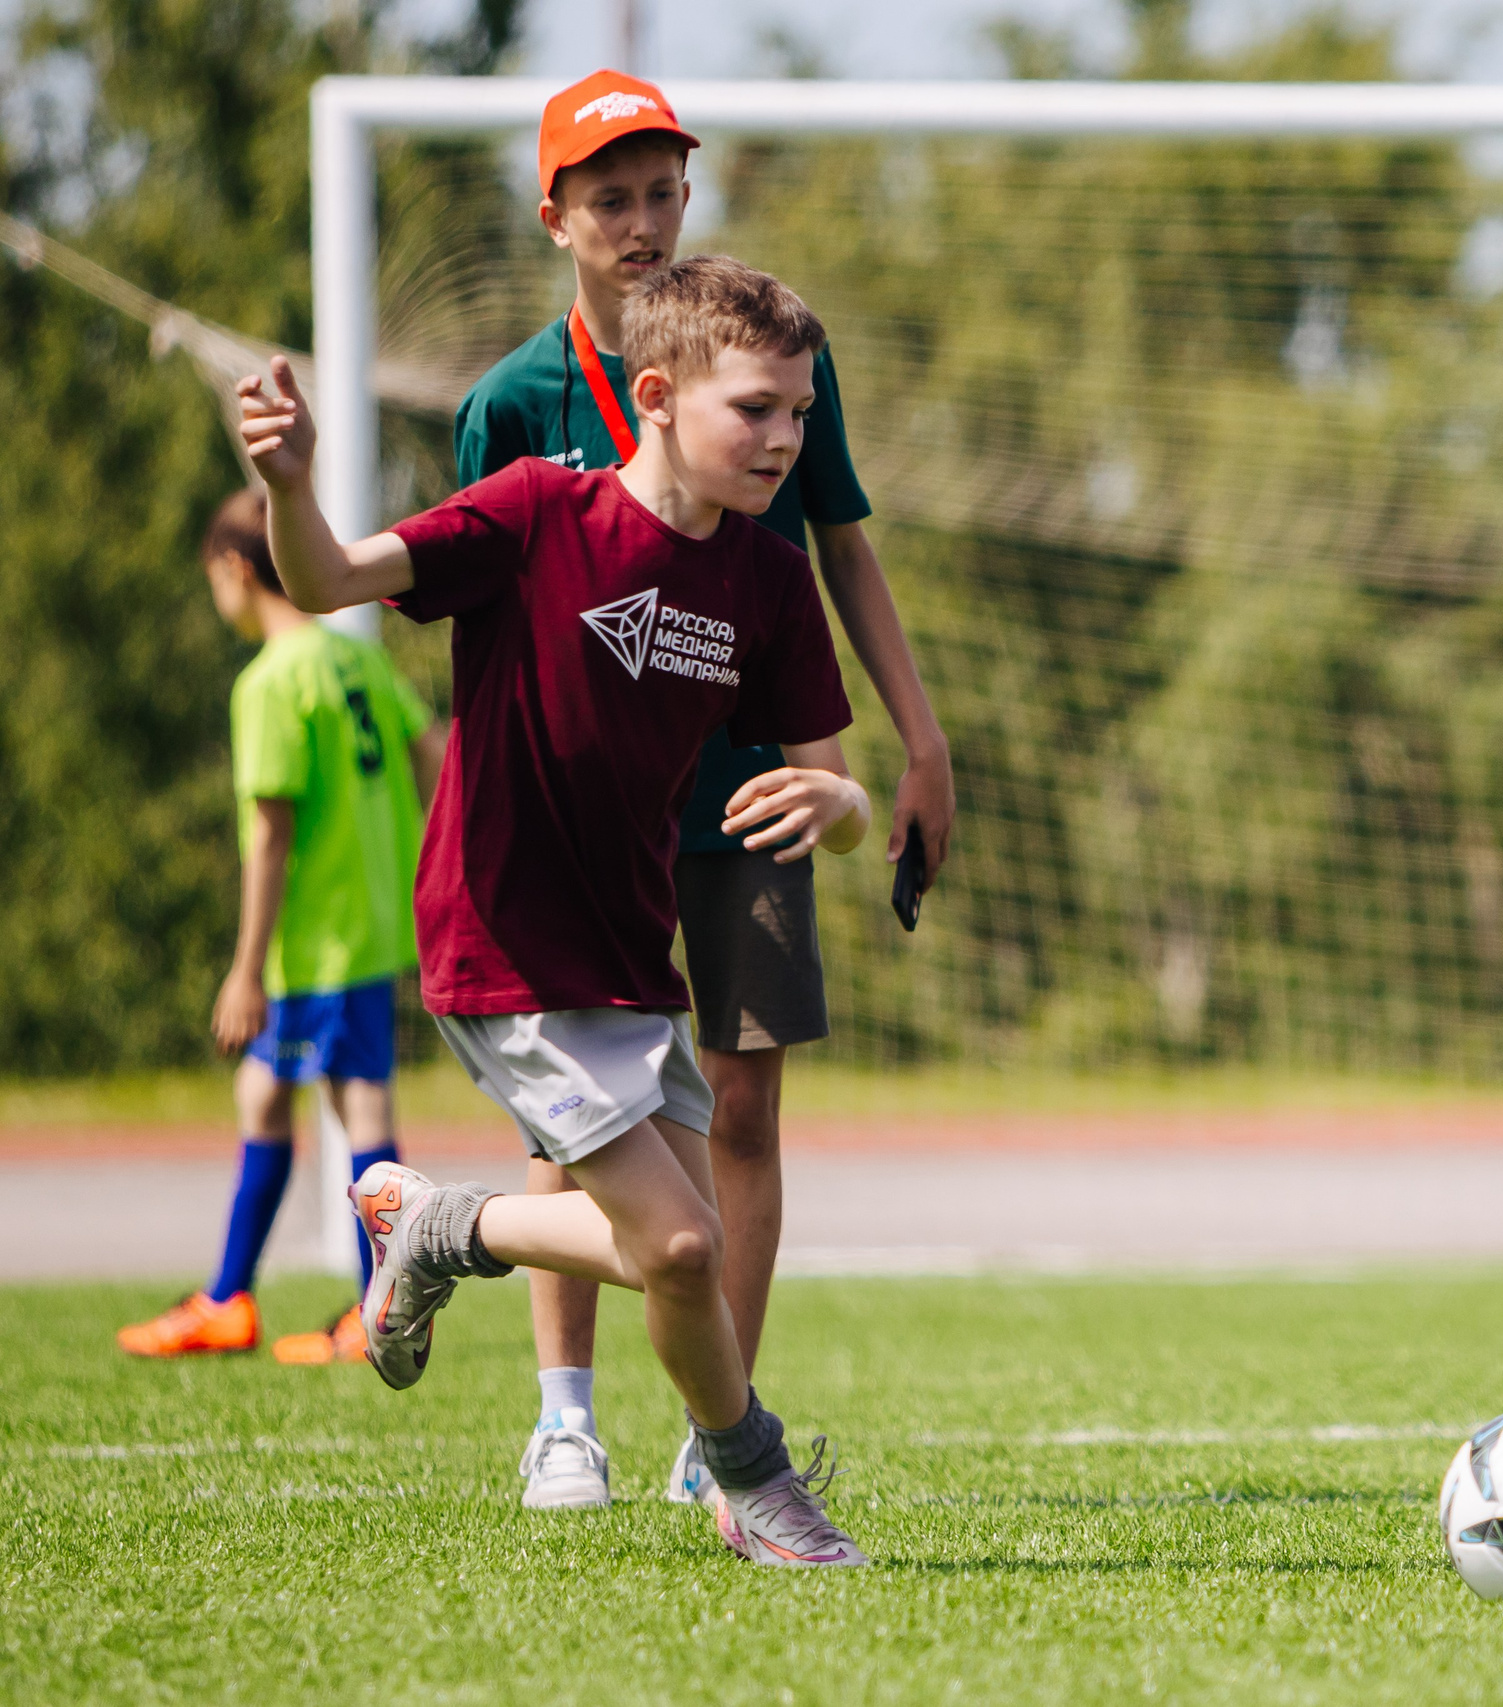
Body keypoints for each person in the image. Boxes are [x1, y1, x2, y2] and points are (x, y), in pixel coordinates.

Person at [238, 255, 875, 1568]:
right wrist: (289, 489)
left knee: (679, 1263)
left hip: (630, 958)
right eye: (756, 409)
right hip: (501, 935)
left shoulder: (763, 579)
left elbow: (837, 779)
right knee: (684, 1236)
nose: (784, 440)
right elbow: (328, 580)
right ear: (657, 394)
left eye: (800, 414)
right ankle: (756, 1486)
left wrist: (838, 809)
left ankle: (439, 1223)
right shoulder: (537, 512)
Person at [449, 68, 955, 1513]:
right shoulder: (511, 404)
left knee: (745, 1101)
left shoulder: (781, 359)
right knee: (575, 1121)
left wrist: (915, 743)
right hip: (577, 819)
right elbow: (480, 623)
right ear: (556, 216)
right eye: (610, 196)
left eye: (664, 189)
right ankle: (564, 1418)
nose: (643, 219)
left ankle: (715, 1424)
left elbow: (841, 546)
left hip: (749, 794)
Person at [118, 488, 440, 1363]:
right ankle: (254, 1298)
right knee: (290, 1096)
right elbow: (434, 756)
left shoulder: (271, 680)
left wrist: (245, 968)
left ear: (232, 568)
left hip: (316, 938)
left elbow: (270, 835)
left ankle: (356, 1306)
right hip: (372, 920)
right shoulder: (353, 659)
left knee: (345, 1102)